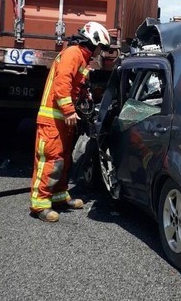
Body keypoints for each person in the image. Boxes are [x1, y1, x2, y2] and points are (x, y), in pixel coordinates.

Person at [30, 22, 111, 222]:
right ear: (93, 41)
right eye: (100, 47)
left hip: (62, 121)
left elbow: (77, 87)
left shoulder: (82, 59)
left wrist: (86, 98)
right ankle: (40, 204)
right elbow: (62, 84)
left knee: (63, 160)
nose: (100, 52)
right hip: (53, 120)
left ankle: (58, 197)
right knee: (51, 160)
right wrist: (68, 110)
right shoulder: (73, 54)